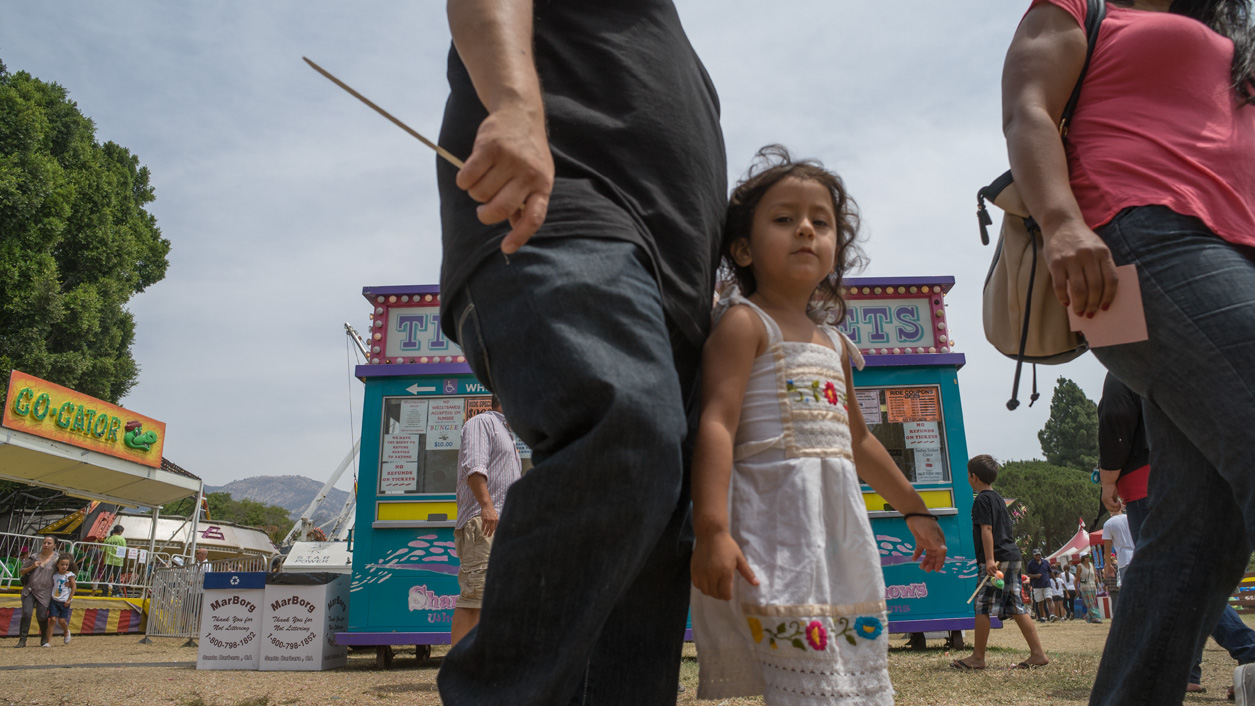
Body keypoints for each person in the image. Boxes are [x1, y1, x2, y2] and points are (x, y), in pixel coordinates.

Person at [433, 0, 726, 703]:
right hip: (556, 210)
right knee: (626, 427)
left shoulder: (676, 45)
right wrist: (513, 103)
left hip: (678, 293)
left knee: (654, 530)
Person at [1002, 0, 1255, 701]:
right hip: (1136, 240)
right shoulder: (1085, 9)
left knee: (1196, 534)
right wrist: (1060, 221)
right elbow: (1026, 107)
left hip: (1236, 250)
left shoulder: (1230, 32)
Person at [688, 147, 947, 703]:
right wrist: (711, 530)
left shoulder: (834, 342)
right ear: (743, 248)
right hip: (776, 531)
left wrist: (915, 509)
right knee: (803, 680)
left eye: (820, 222)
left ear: (836, 249)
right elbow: (716, 424)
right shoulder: (744, 323)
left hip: (837, 534)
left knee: (851, 673)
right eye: (784, 218)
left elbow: (859, 440)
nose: (805, 229)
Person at [953, 455, 1049, 670]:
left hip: (996, 559)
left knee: (982, 606)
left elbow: (986, 529)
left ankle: (978, 658)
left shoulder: (981, 500)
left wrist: (988, 559)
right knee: (1016, 605)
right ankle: (1038, 653)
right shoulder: (998, 498)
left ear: (973, 477)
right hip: (1011, 556)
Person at [450, 395, 521, 647]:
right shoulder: (482, 422)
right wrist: (486, 506)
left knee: (495, 598)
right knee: (475, 599)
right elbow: (474, 468)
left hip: (502, 526)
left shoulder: (507, 433)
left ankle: (485, 661)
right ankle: (458, 666)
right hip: (483, 524)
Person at [16, 537, 59, 647]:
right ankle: (22, 640)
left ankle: (44, 638)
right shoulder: (33, 557)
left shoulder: (57, 559)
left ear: (54, 545)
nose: (46, 545)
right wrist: (31, 567)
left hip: (45, 591)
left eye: (49, 543)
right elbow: (22, 571)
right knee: (26, 613)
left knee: (42, 615)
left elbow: (65, 571)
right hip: (30, 589)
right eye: (44, 542)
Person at [1103, 504, 1133, 613]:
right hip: (1136, 555)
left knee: (1127, 591)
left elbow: (1107, 548)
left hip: (1124, 558)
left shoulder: (1108, 524)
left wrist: (1108, 565)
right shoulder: (1131, 518)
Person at [49, 555, 76, 645]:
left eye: (66, 565)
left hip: (64, 601)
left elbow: (74, 586)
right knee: (52, 619)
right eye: (62, 564)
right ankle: (48, 640)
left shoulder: (69, 575)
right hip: (54, 599)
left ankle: (66, 631)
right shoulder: (55, 575)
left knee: (61, 620)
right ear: (57, 565)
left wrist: (69, 599)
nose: (64, 567)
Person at [1026, 548, 1055, 622]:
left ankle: (1052, 615)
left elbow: (1050, 572)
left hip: (1046, 583)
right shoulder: (1030, 564)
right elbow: (1028, 574)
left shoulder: (1045, 562)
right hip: (1037, 585)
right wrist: (1035, 576)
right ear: (1033, 556)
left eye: (1039, 555)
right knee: (1040, 601)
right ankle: (1042, 617)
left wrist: (1055, 581)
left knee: (1049, 598)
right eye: (1036, 555)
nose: (1038, 556)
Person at [101, 525, 126, 597]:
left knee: (106, 578)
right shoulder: (122, 539)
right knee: (116, 578)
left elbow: (103, 550)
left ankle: (104, 593)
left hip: (108, 561)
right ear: (120, 532)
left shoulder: (108, 539)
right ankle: (114, 593)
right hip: (118, 561)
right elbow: (123, 550)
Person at [1077, 554, 1102, 624]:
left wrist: (1098, 584)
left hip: (1092, 586)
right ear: (1083, 558)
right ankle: (1096, 617)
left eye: (1089, 557)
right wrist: (1076, 587)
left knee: (1093, 602)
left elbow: (1095, 576)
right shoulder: (1079, 566)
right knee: (1089, 602)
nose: (1088, 558)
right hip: (1084, 586)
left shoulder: (1091, 565)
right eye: (1086, 557)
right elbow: (1077, 577)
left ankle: (1089, 617)